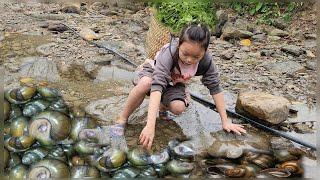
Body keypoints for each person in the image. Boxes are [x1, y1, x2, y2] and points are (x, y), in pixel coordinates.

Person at [81, 23, 247, 150]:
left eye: (195, 56)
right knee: (146, 83)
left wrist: (225, 121)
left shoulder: (206, 61)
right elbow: (156, 86)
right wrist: (150, 126)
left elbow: (215, 88)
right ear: (179, 44)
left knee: (178, 107)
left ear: (205, 52)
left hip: (175, 82)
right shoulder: (169, 54)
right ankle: (122, 118)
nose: (189, 59)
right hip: (153, 74)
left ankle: (165, 105)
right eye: (185, 54)